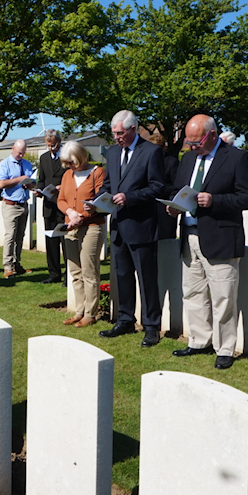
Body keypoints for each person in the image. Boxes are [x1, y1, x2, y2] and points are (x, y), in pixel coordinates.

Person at [168, 115, 248, 370]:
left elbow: (247, 197)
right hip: (189, 234)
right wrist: (174, 206)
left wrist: (214, 200)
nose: (192, 147)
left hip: (220, 236)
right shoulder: (188, 159)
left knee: (223, 296)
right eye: (189, 142)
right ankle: (198, 340)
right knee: (193, 292)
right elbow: (177, 189)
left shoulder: (237, 158)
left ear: (213, 134)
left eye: (197, 142)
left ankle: (225, 347)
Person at [96, 110, 167, 348]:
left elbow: (157, 187)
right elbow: (108, 184)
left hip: (141, 225)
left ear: (133, 129)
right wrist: (98, 199)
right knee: (122, 276)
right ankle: (125, 319)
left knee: (146, 278)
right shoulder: (114, 152)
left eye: (120, 133)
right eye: (114, 133)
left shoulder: (152, 152)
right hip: (118, 225)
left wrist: (131, 197)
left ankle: (151, 327)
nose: (116, 137)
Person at [57, 141, 106, 328]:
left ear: (81, 157)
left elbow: (101, 200)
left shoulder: (97, 172)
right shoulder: (67, 175)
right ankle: (79, 311)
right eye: (67, 163)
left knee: (89, 270)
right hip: (71, 226)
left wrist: (83, 215)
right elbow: (61, 199)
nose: (69, 166)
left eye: (72, 162)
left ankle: (90, 313)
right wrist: (70, 212)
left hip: (92, 226)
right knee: (75, 271)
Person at [0, 139, 35, 278]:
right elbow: (2, 183)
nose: (21, 156)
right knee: (10, 236)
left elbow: (32, 182)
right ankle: (7, 266)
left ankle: (17, 264)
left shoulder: (27, 164)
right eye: (19, 153)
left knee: (20, 237)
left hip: (23, 204)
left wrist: (30, 184)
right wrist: (20, 179)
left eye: (23, 153)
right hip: (10, 205)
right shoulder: (5, 164)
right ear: (13, 149)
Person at [36, 130, 66, 285]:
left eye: (53, 145)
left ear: (59, 142)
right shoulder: (44, 158)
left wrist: (62, 187)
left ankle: (69, 274)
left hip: (63, 204)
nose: (51, 148)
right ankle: (54, 273)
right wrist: (38, 190)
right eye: (48, 146)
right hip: (48, 205)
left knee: (66, 242)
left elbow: (72, 178)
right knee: (51, 241)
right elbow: (42, 179)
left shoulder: (67, 157)